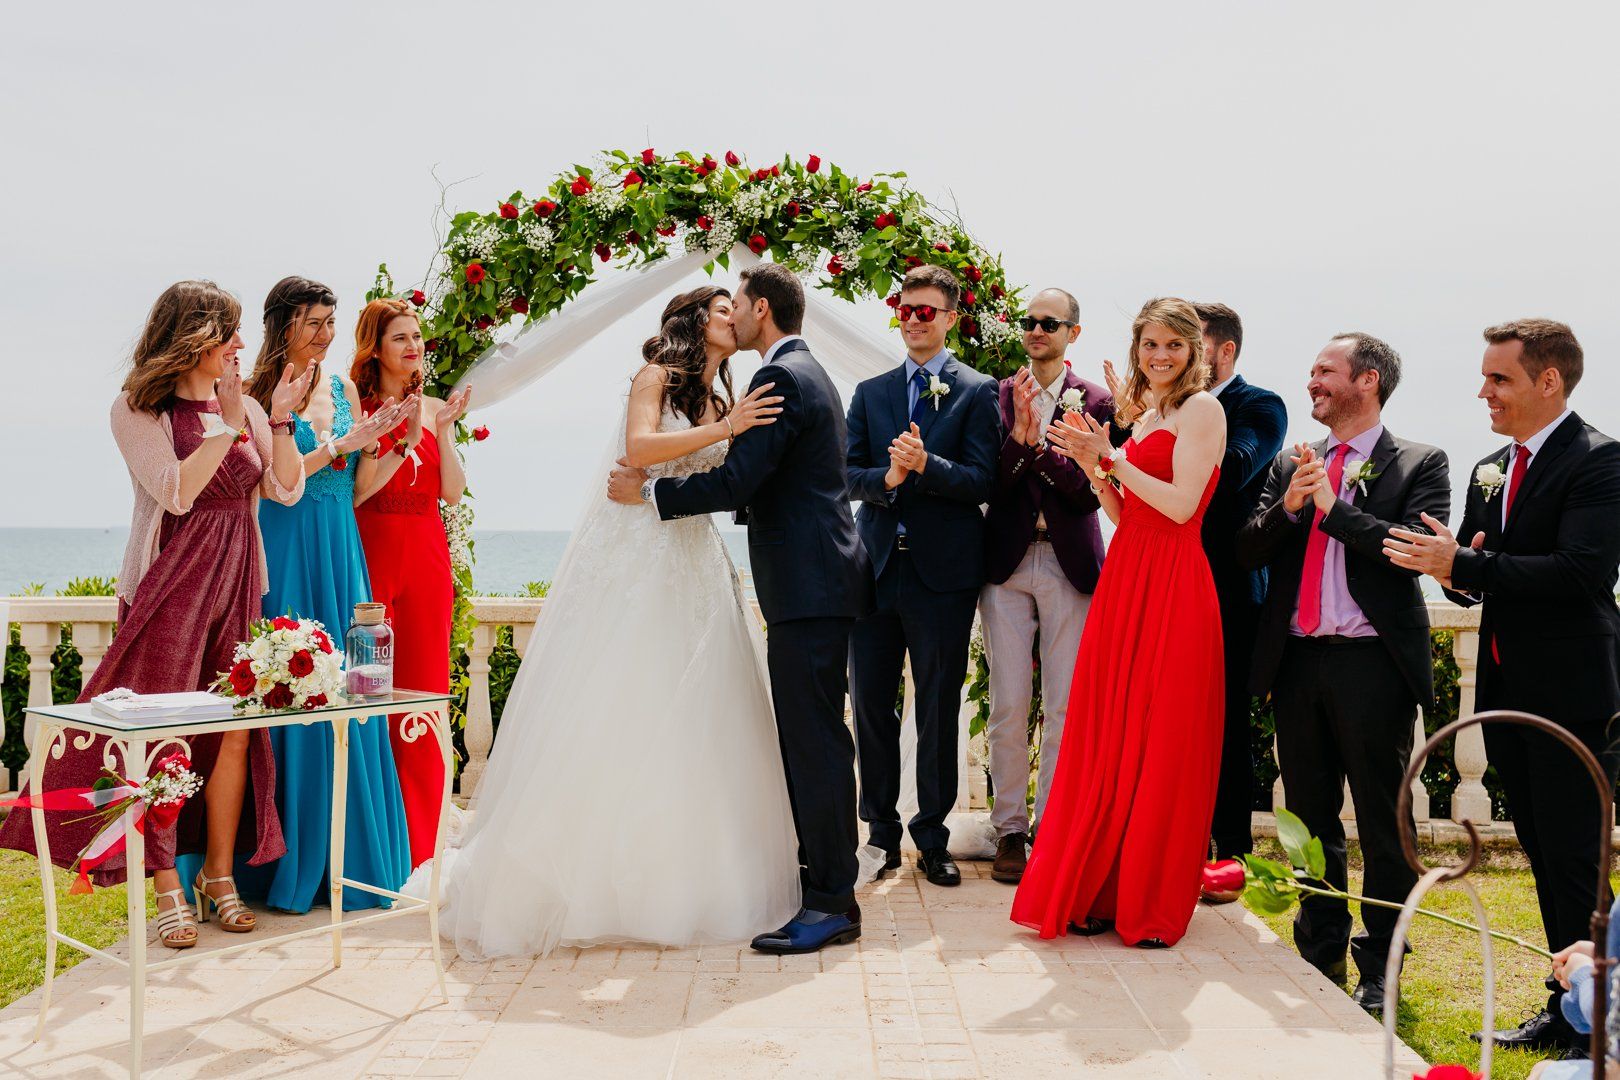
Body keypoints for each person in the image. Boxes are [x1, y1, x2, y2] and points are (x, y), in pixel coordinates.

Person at [435, 283, 804, 958]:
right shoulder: (655, 375)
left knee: (698, 711)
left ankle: (691, 879)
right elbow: (638, 448)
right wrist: (728, 430)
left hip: (694, 556)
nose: (734, 317)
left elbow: (718, 481)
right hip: (638, 554)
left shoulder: (724, 396)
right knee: (624, 696)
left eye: (737, 308)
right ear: (694, 320)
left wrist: (734, 430)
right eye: (722, 309)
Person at [0, 280, 309, 947]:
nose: (240, 343)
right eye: (228, 331)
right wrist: (226, 425)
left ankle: (218, 877)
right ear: (195, 336)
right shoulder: (137, 409)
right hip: (170, 583)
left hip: (236, 584)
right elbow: (176, 492)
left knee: (233, 732)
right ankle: (167, 882)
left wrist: (276, 421)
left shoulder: (247, 407)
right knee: (162, 736)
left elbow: (284, 489)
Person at [609, 263, 874, 955]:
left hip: (810, 585)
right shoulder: (801, 371)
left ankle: (831, 902)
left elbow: (736, 481)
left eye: (739, 305)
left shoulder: (780, 377)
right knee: (815, 740)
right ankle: (823, 885)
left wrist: (651, 494)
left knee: (815, 745)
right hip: (815, 582)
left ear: (761, 309)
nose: (732, 316)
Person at [1385, 319, 1620, 1052]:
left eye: (1499, 378)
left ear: (1548, 381)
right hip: (1505, 685)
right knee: (1541, 848)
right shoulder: (1493, 466)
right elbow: (1474, 570)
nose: (1483, 391)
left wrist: (1467, 565)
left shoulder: (1600, 460)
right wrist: (1451, 570)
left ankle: (1600, 1014)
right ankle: (1570, 1003)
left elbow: (1583, 572)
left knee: (1576, 855)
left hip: (1573, 692)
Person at [1238, 332, 1450, 1013]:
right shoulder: (1292, 463)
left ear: (1368, 380)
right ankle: (1319, 943)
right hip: (1297, 661)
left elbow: (1409, 551)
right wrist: (1290, 508)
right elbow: (1247, 550)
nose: (1312, 381)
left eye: (1325, 370)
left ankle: (1382, 962)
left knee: (1385, 821)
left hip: (1373, 664)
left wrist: (1334, 510)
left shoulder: (1420, 462)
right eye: (1312, 371)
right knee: (1307, 815)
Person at [1011, 296, 1226, 949]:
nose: (1160, 356)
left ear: (1194, 351)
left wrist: (1113, 458)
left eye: (1173, 345)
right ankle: (1102, 888)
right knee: (1113, 734)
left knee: (1161, 739)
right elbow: (1127, 513)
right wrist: (1094, 469)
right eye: (1150, 344)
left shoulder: (1203, 410)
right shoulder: (1151, 414)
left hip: (1174, 583)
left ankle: (1151, 901)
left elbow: (1182, 507)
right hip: (1128, 575)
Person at [236, 276, 413, 913]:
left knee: (353, 689)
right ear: (282, 323)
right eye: (313, 322)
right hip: (285, 548)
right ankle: (278, 864)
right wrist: (341, 445)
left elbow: (357, 487)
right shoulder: (253, 395)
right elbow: (271, 484)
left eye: (331, 322)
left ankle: (353, 858)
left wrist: (399, 441)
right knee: (289, 686)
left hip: (341, 549)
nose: (325, 334)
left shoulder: (342, 388)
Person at [845, 263, 1000, 888]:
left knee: (938, 707)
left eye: (926, 311)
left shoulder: (978, 390)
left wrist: (927, 463)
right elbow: (845, 476)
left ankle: (932, 837)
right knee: (871, 706)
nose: (913, 319)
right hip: (875, 570)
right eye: (905, 309)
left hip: (943, 577)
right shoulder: (870, 392)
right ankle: (880, 835)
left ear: (950, 318)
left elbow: (983, 481)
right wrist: (887, 478)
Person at [979, 288, 1112, 884]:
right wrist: (1020, 443)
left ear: (1072, 333)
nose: (1036, 330)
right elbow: (991, 482)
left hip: (1069, 562)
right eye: (1028, 321)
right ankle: (1010, 829)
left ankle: (1053, 828)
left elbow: (1090, 492)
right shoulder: (995, 395)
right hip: (1006, 563)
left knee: (1063, 705)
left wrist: (1038, 450)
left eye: (1049, 323)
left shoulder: (1099, 401)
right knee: (1008, 702)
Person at [352, 298, 471, 869]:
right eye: (400, 337)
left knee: (424, 698)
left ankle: (425, 844)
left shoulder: (434, 407)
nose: (414, 346)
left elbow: (452, 491)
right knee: (369, 696)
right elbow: (360, 493)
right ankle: (377, 844)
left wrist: (440, 432)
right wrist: (402, 435)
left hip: (426, 559)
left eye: (417, 336)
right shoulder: (360, 410)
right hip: (373, 556)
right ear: (375, 348)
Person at [1191, 302, 1287, 899]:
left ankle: (1230, 854)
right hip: (1164, 580)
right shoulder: (1160, 407)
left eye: (1191, 340)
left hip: (1227, 588)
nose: (1176, 352)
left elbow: (1234, 471)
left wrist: (1178, 423)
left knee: (1224, 725)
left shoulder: (1261, 406)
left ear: (1225, 350)